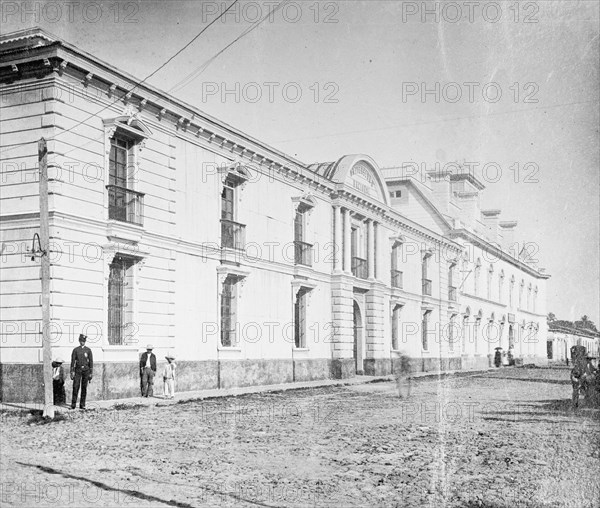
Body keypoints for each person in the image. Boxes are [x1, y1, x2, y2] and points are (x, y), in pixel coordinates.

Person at [70, 334, 93, 410]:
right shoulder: (76, 350)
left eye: (83, 341)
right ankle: (73, 404)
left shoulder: (88, 350)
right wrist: (72, 371)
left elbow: (91, 362)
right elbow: (73, 361)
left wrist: (90, 372)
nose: (82, 342)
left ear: (85, 341)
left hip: (86, 370)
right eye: (81, 341)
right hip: (78, 370)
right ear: (79, 341)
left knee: (84, 387)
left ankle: (82, 404)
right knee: (75, 386)